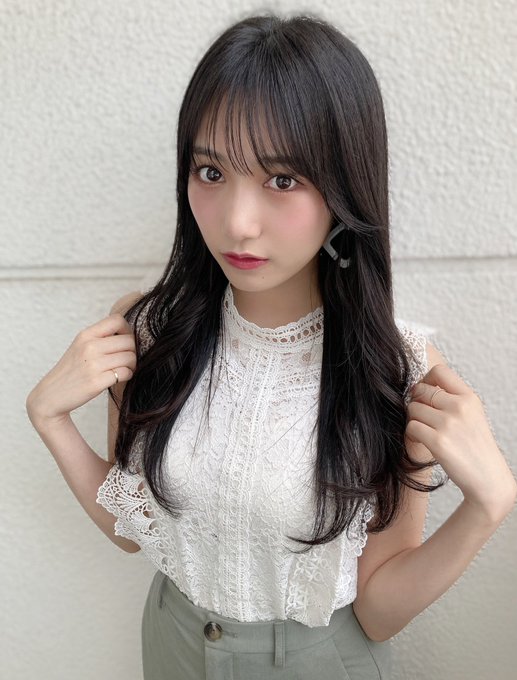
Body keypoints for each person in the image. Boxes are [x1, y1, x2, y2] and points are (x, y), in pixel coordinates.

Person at [26, 13, 516, 680]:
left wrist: (487, 507)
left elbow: (376, 612)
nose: (237, 222)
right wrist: (50, 419)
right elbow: (134, 527)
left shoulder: (395, 370)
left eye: (282, 180)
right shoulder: (150, 330)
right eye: (210, 171)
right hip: (171, 642)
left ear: (343, 186)